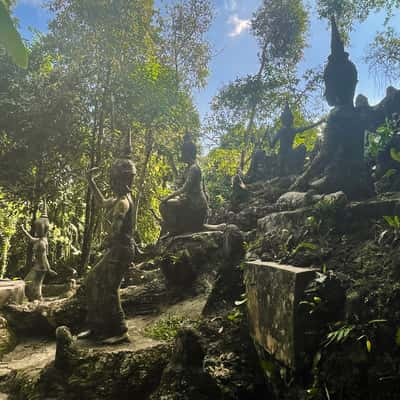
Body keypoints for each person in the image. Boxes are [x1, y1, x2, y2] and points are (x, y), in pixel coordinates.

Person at [78, 133, 136, 345]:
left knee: (110, 288)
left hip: (122, 250)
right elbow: (102, 202)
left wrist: (104, 242)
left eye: (115, 179)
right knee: (92, 280)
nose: (112, 182)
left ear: (123, 180)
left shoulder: (123, 202)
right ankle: (96, 325)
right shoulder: (119, 198)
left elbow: (117, 230)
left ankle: (120, 330)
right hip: (118, 248)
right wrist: (90, 180)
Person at [159, 134, 208, 236]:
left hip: (196, 206)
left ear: (188, 153)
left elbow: (185, 188)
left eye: (183, 153)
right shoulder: (188, 168)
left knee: (163, 205)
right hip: (188, 201)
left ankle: (175, 229)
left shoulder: (194, 168)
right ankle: (176, 227)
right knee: (169, 204)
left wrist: (167, 197)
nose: (181, 155)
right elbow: (179, 183)